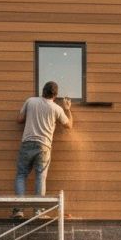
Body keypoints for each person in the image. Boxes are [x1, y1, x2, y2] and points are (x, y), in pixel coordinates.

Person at [12, 80, 73, 219]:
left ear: (42, 91)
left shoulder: (30, 101)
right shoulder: (57, 109)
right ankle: (38, 212)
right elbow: (68, 126)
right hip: (44, 146)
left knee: (21, 175)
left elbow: (19, 119)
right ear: (55, 96)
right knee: (40, 177)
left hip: (27, 143)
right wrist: (68, 108)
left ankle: (19, 211)